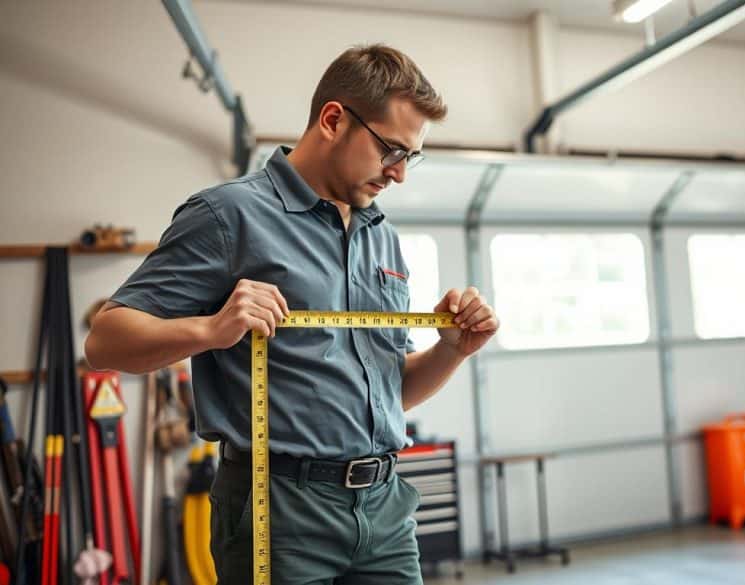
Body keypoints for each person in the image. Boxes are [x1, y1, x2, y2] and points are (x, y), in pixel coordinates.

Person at [85, 44, 499, 584]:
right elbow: (104, 341)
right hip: (277, 508)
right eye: (391, 151)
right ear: (333, 119)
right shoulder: (228, 215)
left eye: (410, 157)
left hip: (385, 508)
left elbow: (390, 390)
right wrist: (211, 330)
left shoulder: (383, 238)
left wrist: (451, 350)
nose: (399, 175)